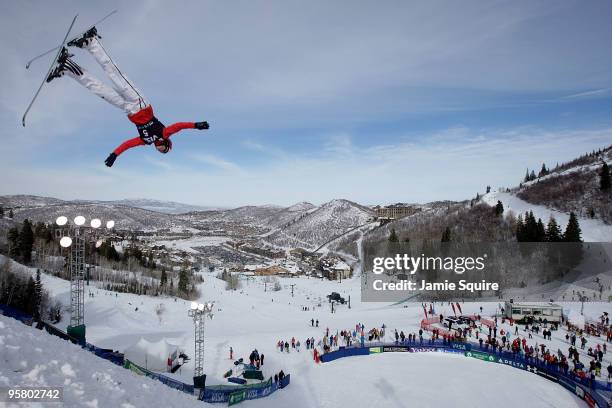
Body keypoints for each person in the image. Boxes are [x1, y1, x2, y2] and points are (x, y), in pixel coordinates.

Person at [46, 27, 209, 166]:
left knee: (98, 89)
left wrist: (115, 154)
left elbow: (128, 144)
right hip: (139, 103)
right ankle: (91, 42)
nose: (160, 150)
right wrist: (196, 125)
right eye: (163, 150)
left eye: (161, 152)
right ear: (167, 144)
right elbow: (178, 126)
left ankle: (67, 66)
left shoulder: (146, 141)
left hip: (128, 110)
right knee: (114, 74)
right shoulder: (164, 134)